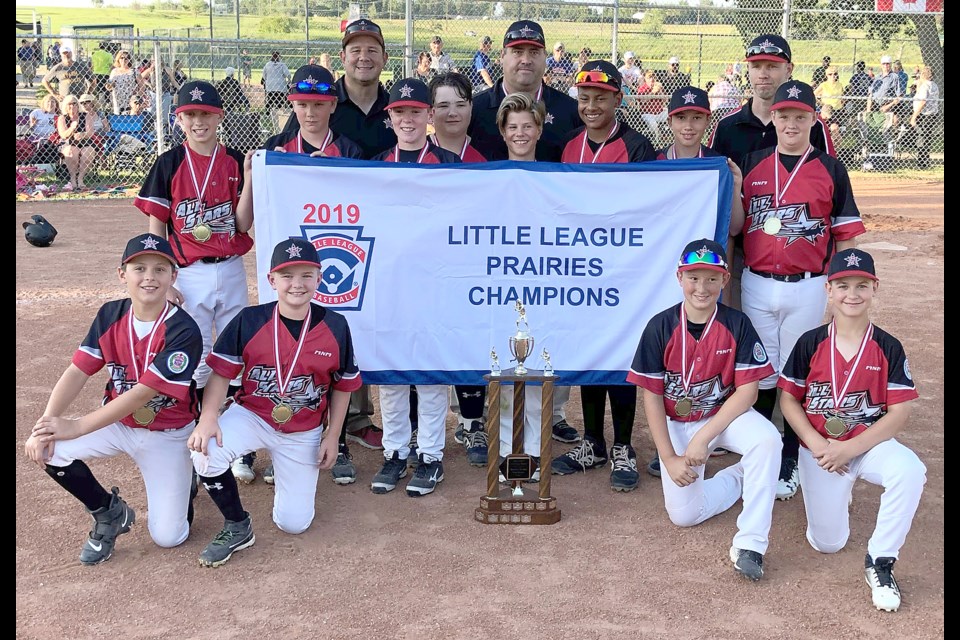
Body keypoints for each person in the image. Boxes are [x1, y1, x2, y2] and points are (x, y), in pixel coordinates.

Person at [24, 233, 203, 565]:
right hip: (118, 423)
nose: (149, 277)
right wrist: (46, 425)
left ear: (173, 276)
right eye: (139, 268)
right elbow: (78, 371)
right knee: (50, 451)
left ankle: (186, 475)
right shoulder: (110, 315)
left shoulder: (184, 330)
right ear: (123, 274)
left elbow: (143, 394)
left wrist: (76, 425)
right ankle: (109, 513)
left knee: (169, 537)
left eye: (160, 269)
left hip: (167, 432)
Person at [187, 237, 361, 567]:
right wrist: (209, 415)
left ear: (319, 278)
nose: (297, 284)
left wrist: (333, 435)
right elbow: (221, 374)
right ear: (271, 281)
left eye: (306, 275)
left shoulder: (335, 325)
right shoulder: (250, 320)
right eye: (287, 276)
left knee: (293, 524)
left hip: (303, 429)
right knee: (206, 451)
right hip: (253, 415)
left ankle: (286, 475)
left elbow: (343, 386)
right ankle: (237, 524)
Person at [778, 248, 926, 611]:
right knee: (828, 543)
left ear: (875, 288)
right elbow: (788, 400)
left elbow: (899, 412)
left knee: (910, 471)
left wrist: (850, 448)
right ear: (828, 290)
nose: (852, 294)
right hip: (820, 449)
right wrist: (815, 444)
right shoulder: (811, 342)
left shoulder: (887, 346)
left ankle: (880, 561)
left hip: (868, 444)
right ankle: (837, 493)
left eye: (862, 285)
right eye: (843, 285)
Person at [739, 79, 866, 502]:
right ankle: (760, 455)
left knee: (795, 376)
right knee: (760, 375)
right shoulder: (753, 162)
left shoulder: (831, 168)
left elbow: (846, 236)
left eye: (800, 116)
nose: (791, 123)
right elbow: (737, 223)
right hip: (757, 282)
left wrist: (841, 289)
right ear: (772, 117)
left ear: (814, 119)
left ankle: (789, 460)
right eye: (783, 115)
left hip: (808, 285)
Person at [629, 239, 781, 580]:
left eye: (712, 278)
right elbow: (651, 397)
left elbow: (748, 392)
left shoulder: (736, 323)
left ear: (725, 280)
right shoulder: (660, 326)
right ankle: (741, 477)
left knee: (768, 440)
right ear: (679, 278)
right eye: (694, 277)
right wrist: (668, 458)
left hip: (722, 417)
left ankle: (751, 544)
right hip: (678, 421)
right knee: (685, 515)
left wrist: (704, 439)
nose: (702, 287)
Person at [135, 81, 254, 482]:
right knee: (198, 356)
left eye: (206, 114)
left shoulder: (236, 161)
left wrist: (251, 178)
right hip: (189, 272)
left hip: (231, 265)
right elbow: (156, 231)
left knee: (236, 350)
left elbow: (240, 223)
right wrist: (164, 276)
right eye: (190, 115)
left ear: (219, 117)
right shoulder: (169, 162)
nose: (198, 121)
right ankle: (197, 435)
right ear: (179, 119)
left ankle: (238, 446)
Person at [552, 61, 656, 492]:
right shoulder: (569, 146)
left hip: (625, 271)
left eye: (600, 98)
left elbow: (654, 207)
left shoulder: (637, 146)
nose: (591, 106)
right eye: (584, 99)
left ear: (618, 98)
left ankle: (623, 446)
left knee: (622, 357)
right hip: (581, 270)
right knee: (591, 354)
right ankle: (592, 442)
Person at [645, 87, 745, 478]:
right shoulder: (653, 163)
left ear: (708, 122)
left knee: (711, 351)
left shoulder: (718, 165)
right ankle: (669, 439)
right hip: (660, 273)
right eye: (681, 118)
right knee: (668, 351)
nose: (689, 125)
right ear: (669, 121)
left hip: (706, 278)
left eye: (697, 118)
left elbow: (736, 226)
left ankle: (711, 432)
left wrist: (734, 185)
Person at [369, 78, 460, 497]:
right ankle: (394, 452)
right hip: (386, 284)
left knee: (429, 372)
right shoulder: (373, 165)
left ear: (429, 116)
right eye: (399, 112)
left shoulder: (448, 164)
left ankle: (431, 456)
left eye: (415, 111)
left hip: (434, 284)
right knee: (390, 372)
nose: (407, 118)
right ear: (389, 118)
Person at [425, 72, 488, 463]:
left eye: (460, 104)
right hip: (427, 267)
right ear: (430, 112)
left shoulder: (484, 161)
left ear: (470, 109)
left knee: (471, 338)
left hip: (471, 266)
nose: (452, 112)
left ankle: (471, 423)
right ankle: (421, 429)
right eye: (443, 105)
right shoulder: (416, 152)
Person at [468, 20, 579, 162]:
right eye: (517, 52)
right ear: (502, 56)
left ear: (545, 56)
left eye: (534, 52)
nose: (526, 60)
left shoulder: (570, 111)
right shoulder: (474, 110)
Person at [56, 94, 97, 191]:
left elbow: (90, 132)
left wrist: (82, 134)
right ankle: (73, 178)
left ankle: (80, 178)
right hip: (69, 143)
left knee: (89, 152)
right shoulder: (62, 118)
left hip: (85, 142)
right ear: (65, 106)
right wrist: (72, 127)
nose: (72, 106)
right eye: (69, 104)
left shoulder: (85, 116)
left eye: (74, 104)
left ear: (78, 105)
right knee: (71, 151)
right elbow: (63, 135)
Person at [497, 91, 544, 162]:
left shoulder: (552, 172)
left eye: (527, 127)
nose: (520, 133)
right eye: (513, 127)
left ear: (539, 131)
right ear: (503, 132)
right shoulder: (491, 173)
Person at [910, 65, 939, 170]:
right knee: (926, 138)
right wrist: (919, 83)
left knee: (922, 139)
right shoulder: (934, 84)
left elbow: (922, 102)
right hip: (932, 114)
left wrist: (914, 117)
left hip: (925, 115)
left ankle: (922, 163)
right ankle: (925, 161)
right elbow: (919, 93)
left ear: (923, 75)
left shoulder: (925, 86)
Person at [107, 50, 145, 116]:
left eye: (126, 58)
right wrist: (109, 86)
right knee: (119, 118)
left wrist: (137, 98)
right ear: (118, 59)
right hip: (118, 100)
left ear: (129, 60)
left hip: (130, 100)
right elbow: (110, 84)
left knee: (131, 118)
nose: (124, 60)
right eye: (121, 58)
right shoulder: (114, 71)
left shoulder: (134, 71)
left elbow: (142, 85)